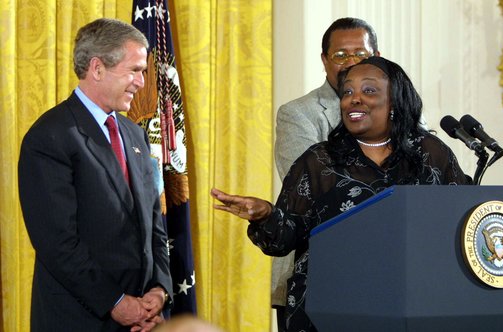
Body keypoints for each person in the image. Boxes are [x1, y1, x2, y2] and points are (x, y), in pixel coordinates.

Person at [211, 56, 471, 331]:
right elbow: (285, 238)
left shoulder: (430, 152)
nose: (354, 99)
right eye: (348, 91)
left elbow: (460, 221)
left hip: (416, 302)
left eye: (368, 90)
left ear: (394, 101)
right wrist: (265, 215)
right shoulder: (320, 161)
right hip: (330, 310)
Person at [18, 18, 173, 331]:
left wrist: (159, 289)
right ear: (97, 68)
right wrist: (115, 302)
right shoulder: (51, 136)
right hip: (80, 319)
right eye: (134, 71)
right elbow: (57, 243)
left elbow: (153, 222)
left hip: (142, 319)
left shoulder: (134, 135)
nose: (142, 82)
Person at [272, 17, 380, 330]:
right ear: (324, 61)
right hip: (315, 274)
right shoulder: (298, 114)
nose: (351, 62)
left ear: (377, 57)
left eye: (360, 53)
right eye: (341, 55)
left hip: (388, 272)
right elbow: (316, 186)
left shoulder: (403, 112)